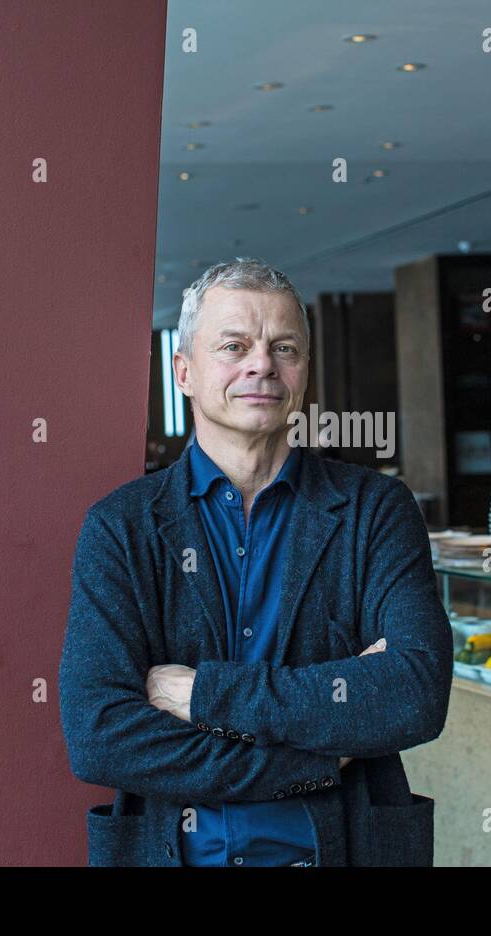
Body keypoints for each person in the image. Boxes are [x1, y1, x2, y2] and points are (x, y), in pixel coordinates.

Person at [58, 257, 452, 867]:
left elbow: (414, 694)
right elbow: (100, 737)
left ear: (304, 372)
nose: (262, 364)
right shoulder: (121, 526)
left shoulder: (375, 510)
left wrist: (204, 693)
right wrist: (315, 757)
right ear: (183, 371)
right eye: (234, 345)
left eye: (284, 347)